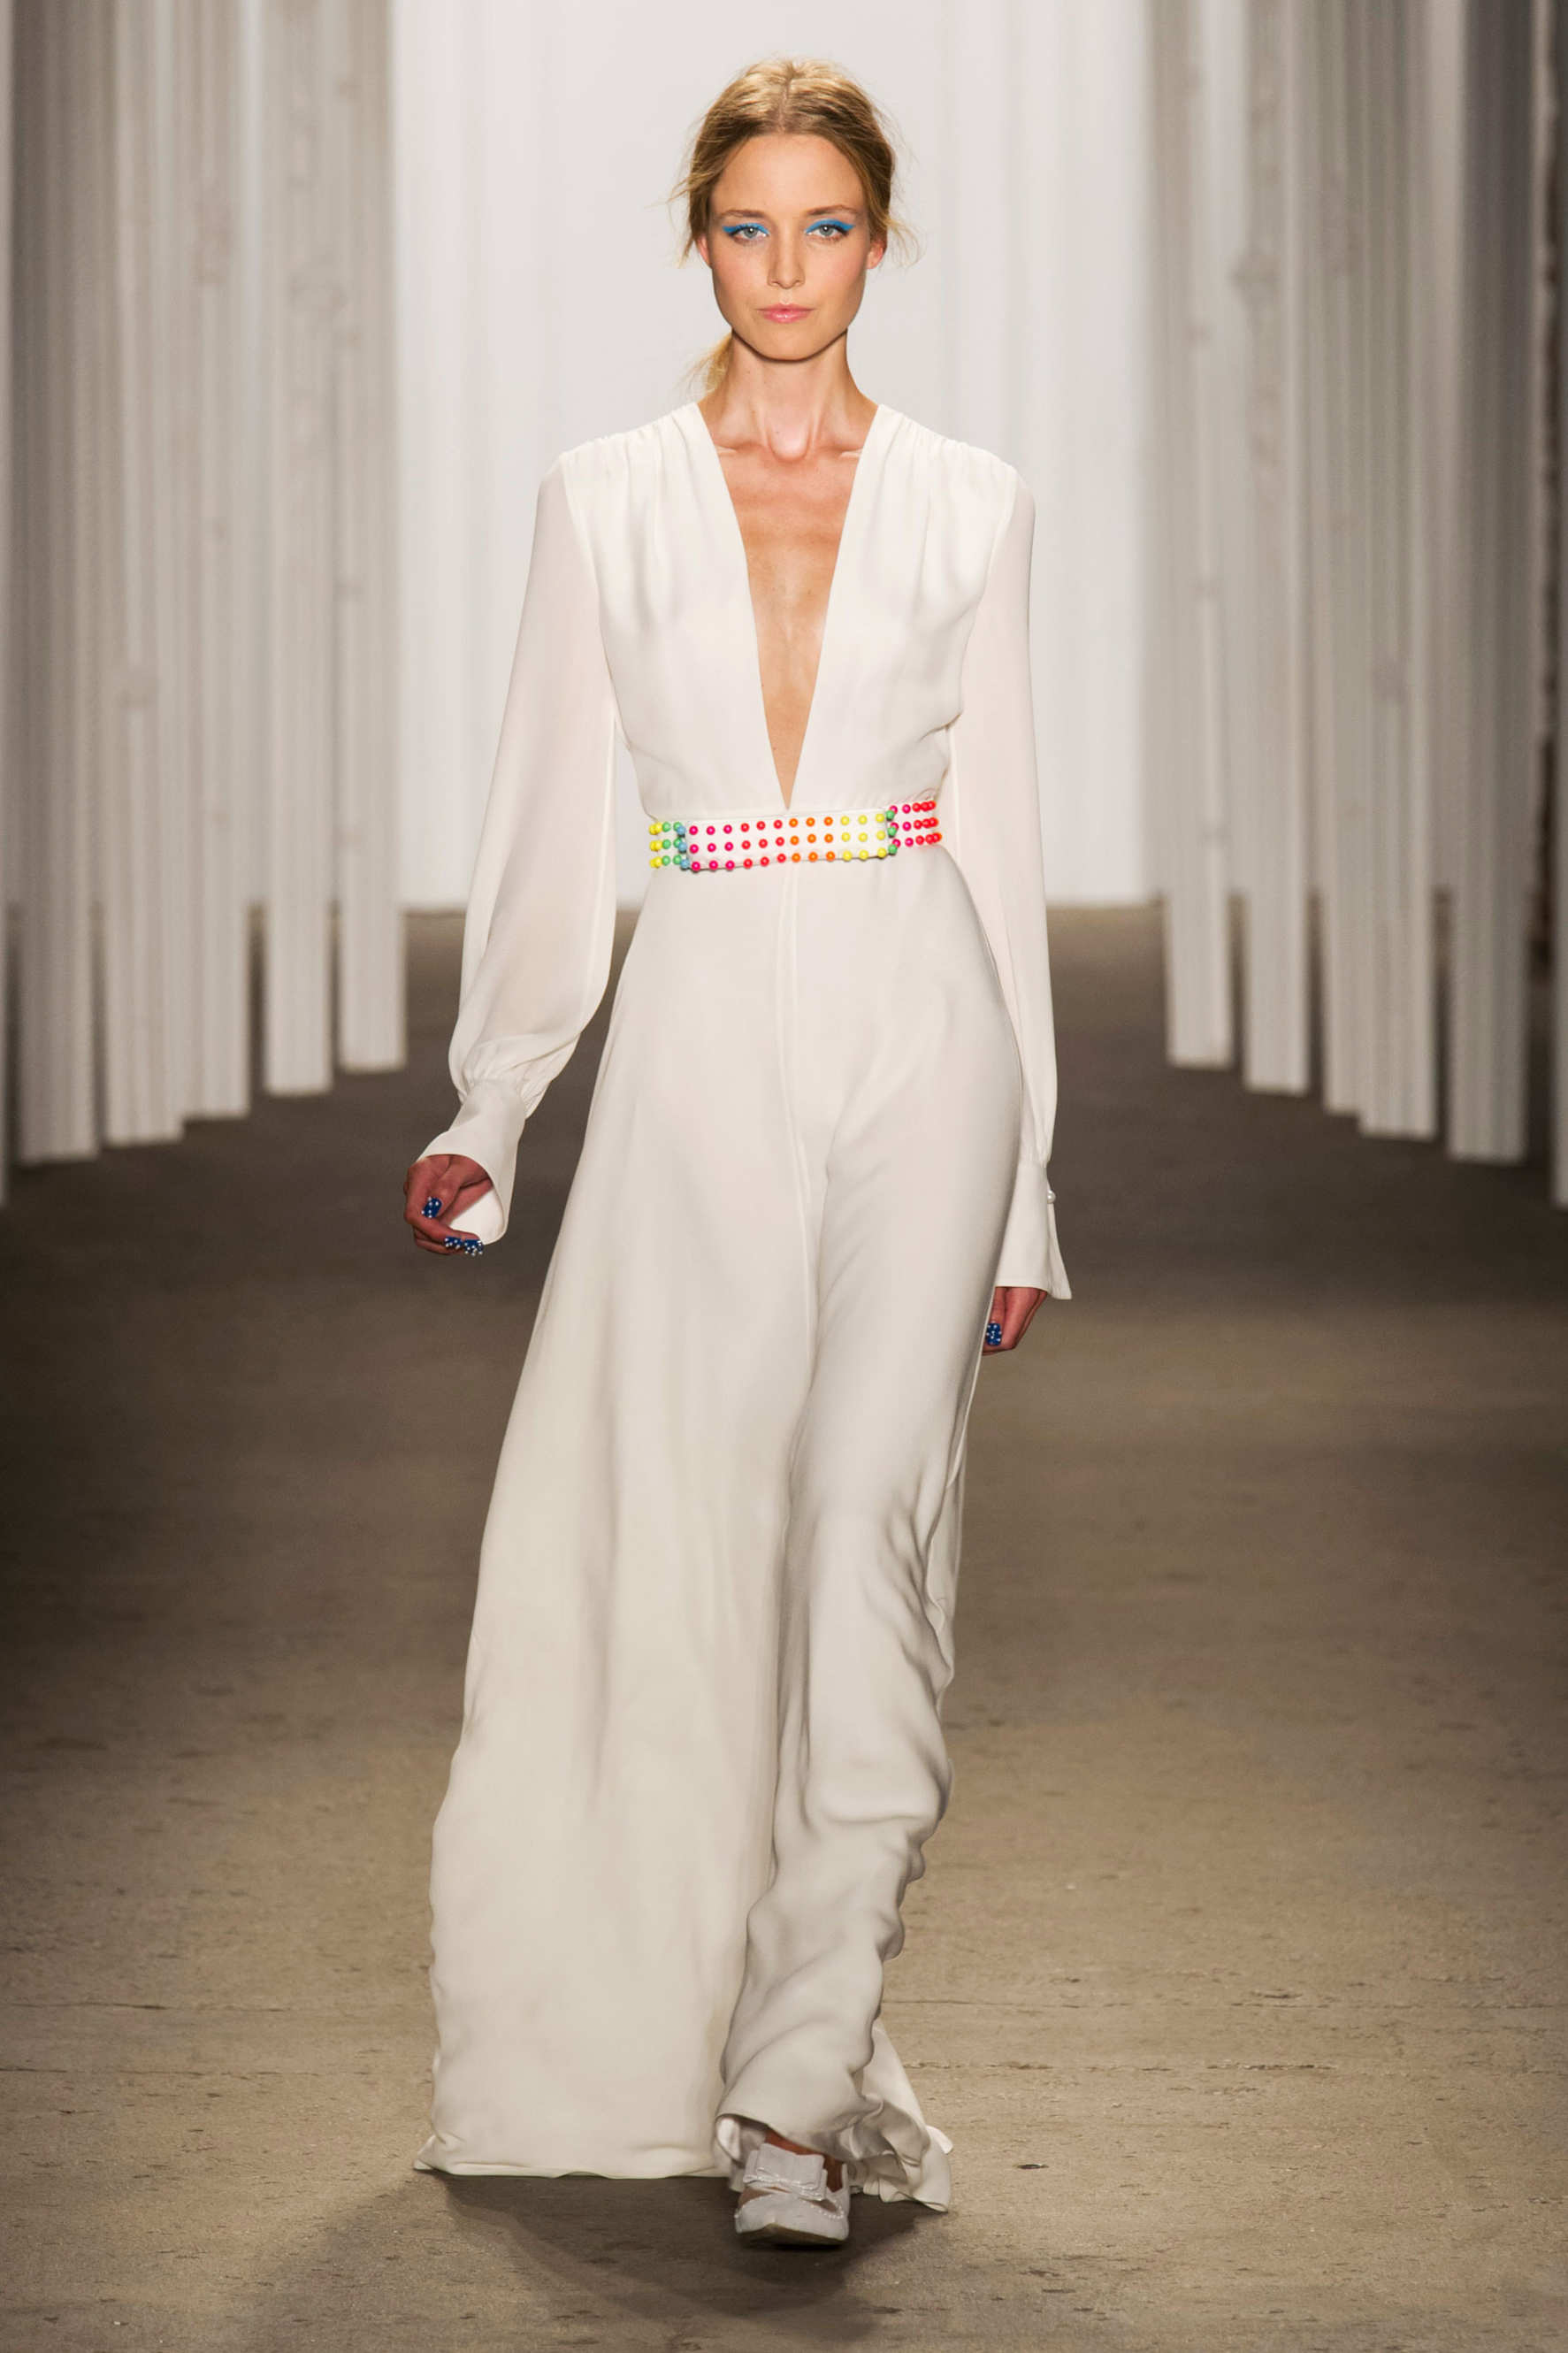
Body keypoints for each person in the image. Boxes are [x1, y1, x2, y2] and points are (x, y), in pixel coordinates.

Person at [401, 55, 1070, 2251]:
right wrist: (496, 1097)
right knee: (700, 1547)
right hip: (692, 1028)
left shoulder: (970, 501)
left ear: (881, 242)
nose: (787, 267)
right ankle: (704, 2031)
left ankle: (791, 2085)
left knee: (868, 1521)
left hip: (920, 1023)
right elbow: (545, 814)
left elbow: (999, 839)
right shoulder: (602, 498)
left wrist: (1030, 1179)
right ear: (700, 240)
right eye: (749, 226)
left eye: (828, 225)